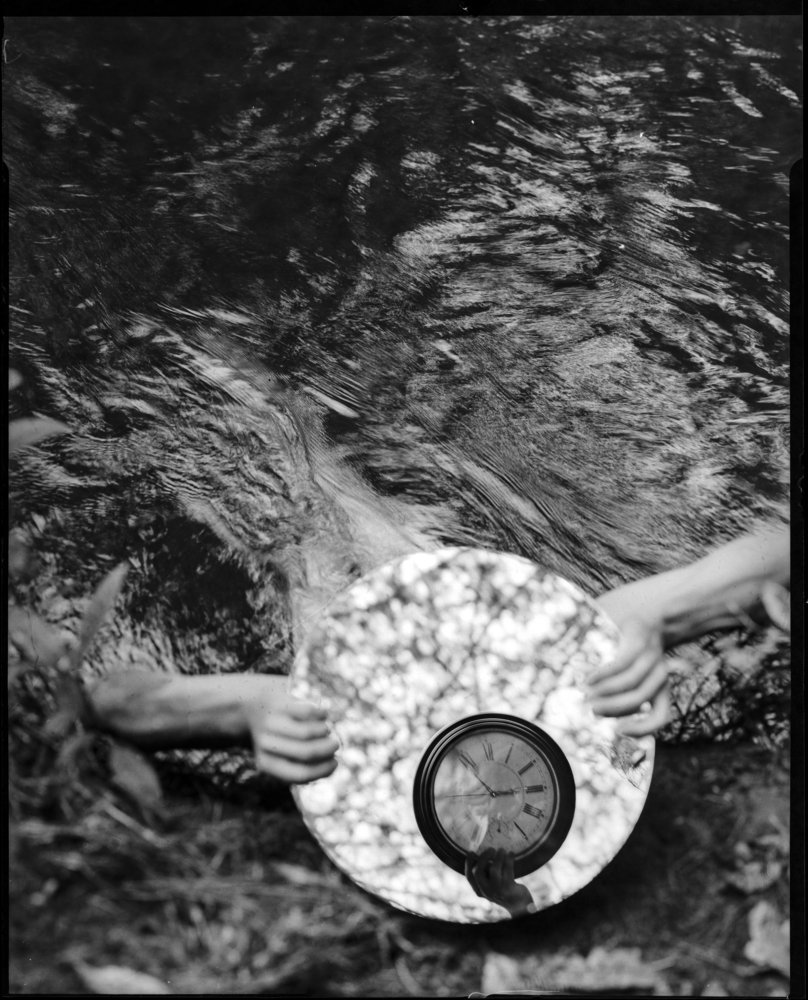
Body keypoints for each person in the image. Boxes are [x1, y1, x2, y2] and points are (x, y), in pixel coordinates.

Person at [79, 524, 790, 781]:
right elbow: (109, 699)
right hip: (361, 609)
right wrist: (251, 706)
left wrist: (653, 620)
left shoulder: (566, 648)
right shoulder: (339, 709)